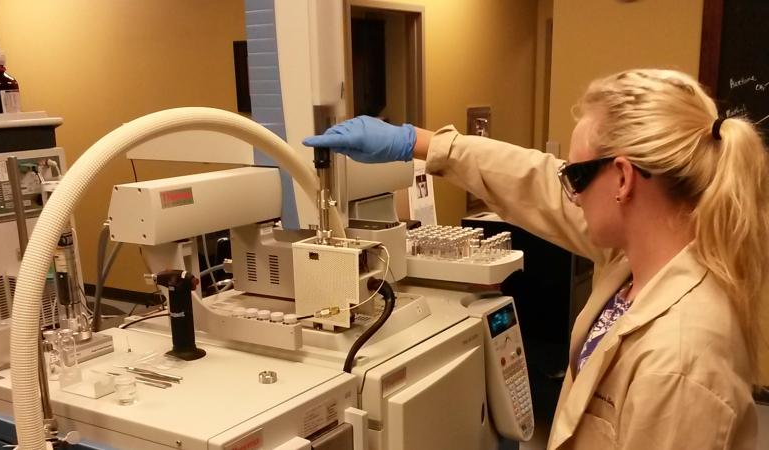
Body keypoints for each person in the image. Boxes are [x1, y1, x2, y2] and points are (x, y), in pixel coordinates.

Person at [304, 69, 768, 449]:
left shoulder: (681, 360)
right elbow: (538, 181)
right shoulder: (644, 260)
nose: (570, 193)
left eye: (577, 175)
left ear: (624, 179)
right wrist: (421, 144)